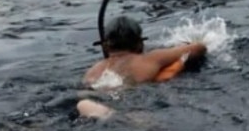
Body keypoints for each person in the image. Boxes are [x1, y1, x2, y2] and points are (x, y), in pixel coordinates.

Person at [77, 14, 207, 120]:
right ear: (139, 44)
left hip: (99, 99)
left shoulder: (93, 71)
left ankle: (104, 114)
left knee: (84, 104)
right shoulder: (151, 59)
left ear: (105, 46)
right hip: (133, 105)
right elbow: (199, 48)